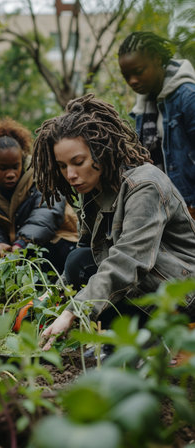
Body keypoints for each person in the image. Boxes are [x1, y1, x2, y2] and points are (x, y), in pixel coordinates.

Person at [31, 93, 195, 350]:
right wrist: (51, 296)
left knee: (115, 262)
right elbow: (84, 252)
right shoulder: (94, 188)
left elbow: (129, 260)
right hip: (144, 287)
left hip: (181, 294)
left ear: (101, 152)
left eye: (78, 162)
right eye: (62, 166)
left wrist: (73, 311)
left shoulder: (145, 185)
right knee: (80, 261)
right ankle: (120, 338)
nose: (71, 175)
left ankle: (147, 342)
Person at [0, 117, 78, 274]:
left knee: (54, 251)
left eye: (15, 167)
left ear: (22, 160)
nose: (11, 174)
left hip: (51, 241)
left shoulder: (41, 174)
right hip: (12, 246)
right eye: (2, 168)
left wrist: (22, 243)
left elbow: (47, 214)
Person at [118, 31, 195, 219]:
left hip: (188, 205)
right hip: (164, 207)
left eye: (138, 72)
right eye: (126, 76)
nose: (132, 81)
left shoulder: (187, 97)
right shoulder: (144, 106)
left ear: (157, 58)